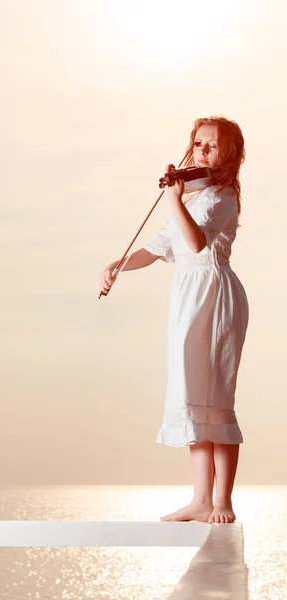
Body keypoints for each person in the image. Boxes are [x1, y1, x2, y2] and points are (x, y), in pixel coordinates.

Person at [99, 117, 249, 524]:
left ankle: (223, 501)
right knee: (191, 395)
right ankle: (200, 499)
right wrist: (118, 265)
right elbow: (154, 249)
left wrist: (174, 201)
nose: (201, 151)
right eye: (197, 143)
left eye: (211, 146)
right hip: (187, 296)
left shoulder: (221, 196)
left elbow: (197, 243)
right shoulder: (192, 195)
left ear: (229, 154)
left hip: (215, 295)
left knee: (217, 396)